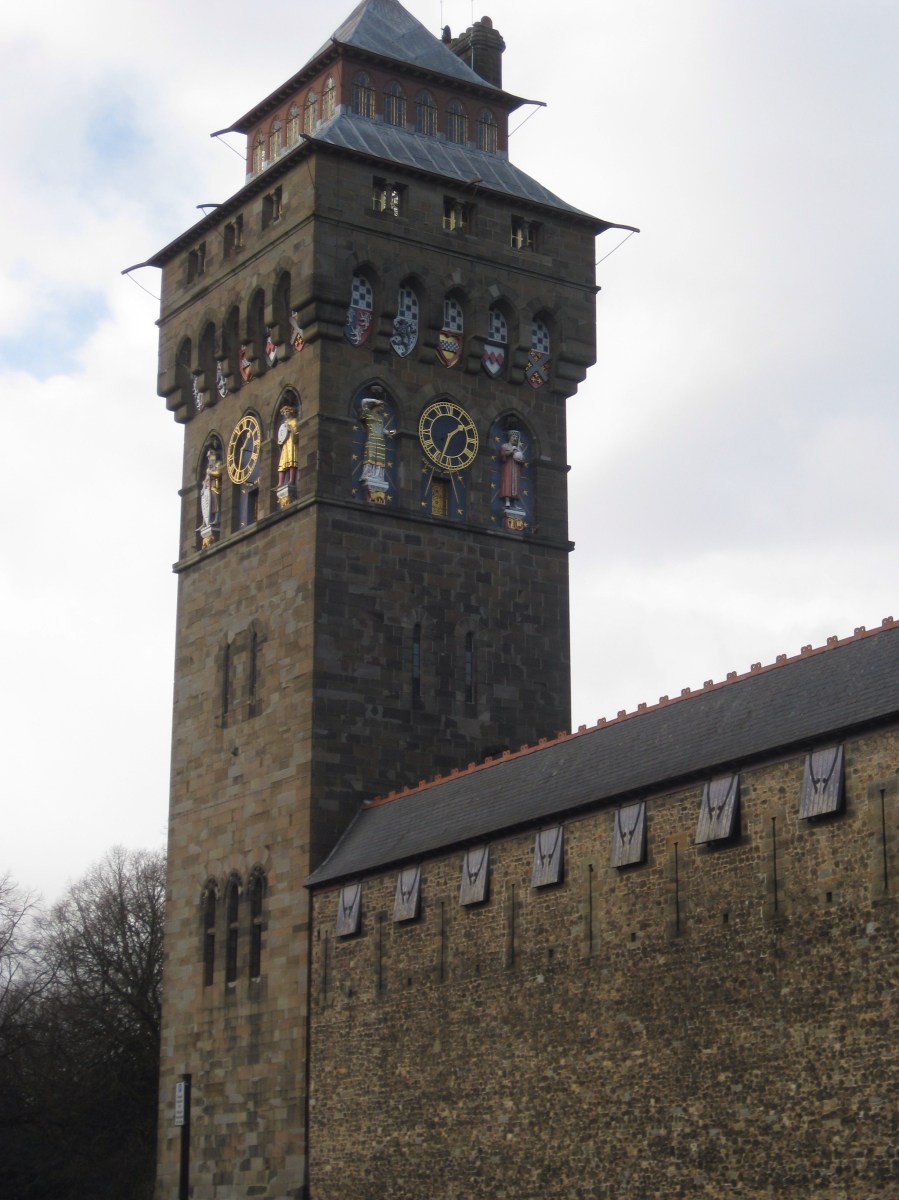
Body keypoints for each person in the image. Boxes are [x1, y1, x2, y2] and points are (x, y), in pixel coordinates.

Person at [358, 389, 395, 499]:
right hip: (372, 437)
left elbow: (381, 428)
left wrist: (388, 432)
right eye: (381, 406)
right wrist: (376, 400)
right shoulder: (368, 413)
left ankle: (378, 476)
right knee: (371, 456)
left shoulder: (380, 418)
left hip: (380, 439)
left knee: (379, 458)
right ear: (376, 405)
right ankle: (368, 474)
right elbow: (364, 402)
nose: (382, 409)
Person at [499, 429, 526, 506]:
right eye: (514, 436)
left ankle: (514, 503)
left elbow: (522, 459)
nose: (515, 438)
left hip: (516, 469)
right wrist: (511, 451)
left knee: (515, 485)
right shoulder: (505, 446)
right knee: (507, 483)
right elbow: (503, 454)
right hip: (508, 468)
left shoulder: (518, 449)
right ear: (510, 437)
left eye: (517, 437)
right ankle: (507, 501)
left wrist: (520, 459)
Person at [277, 404, 300, 488]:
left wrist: (290, 429)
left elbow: (296, 432)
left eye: (287, 411)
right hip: (285, 444)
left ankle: (291, 480)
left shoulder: (294, 421)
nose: (286, 413)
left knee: (291, 460)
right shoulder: (284, 424)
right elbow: (281, 434)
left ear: (291, 412)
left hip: (291, 443)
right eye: (284, 412)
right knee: (282, 462)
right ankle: (280, 483)